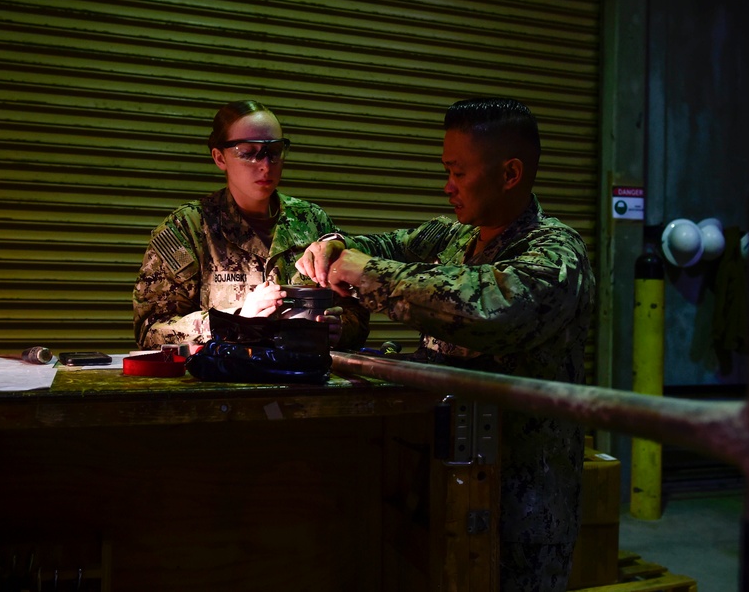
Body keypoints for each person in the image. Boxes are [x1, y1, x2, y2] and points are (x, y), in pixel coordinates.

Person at [296, 97, 596, 592]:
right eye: (446, 170)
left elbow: (484, 309)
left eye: (458, 172)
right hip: (442, 481)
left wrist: (365, 273)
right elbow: (383, 246)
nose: (447, 186)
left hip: (518, 509)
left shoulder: (556, 254)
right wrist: (334, 243)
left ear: (510, 173)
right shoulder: (453, 237)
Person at [133, 100, 369, 351]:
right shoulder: (187, 229)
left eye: (274, 151)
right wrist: (236, 319)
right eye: (248, 152)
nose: (265, 165)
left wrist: (340, 329)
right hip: (229, 385)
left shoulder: (311, 221)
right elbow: (150, 330)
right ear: (220, 157)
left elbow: (356, 310)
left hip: (303, 381)